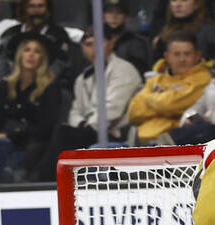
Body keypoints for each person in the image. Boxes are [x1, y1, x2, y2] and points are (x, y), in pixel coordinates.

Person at [35, 26, 143, 181]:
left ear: (111, 44)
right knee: (55, 135)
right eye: (88, 45)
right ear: (82, 48)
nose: (94, 49)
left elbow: (113, 109)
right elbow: (75, 111)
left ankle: (46, 181)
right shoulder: (82, 78)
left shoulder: (124, 69)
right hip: (91, 129)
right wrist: (82, 124)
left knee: (63, 135)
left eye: (99, 43)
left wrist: (89, 126)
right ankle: (46, 179)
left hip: (116, 132)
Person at [0, 32, 60, 183]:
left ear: (43, 58)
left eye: (37, 51)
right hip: (5, 143)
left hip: (34, 146)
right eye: (27, 50)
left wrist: (11, 133)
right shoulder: (3, 87)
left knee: (8, 151)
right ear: (20, 54)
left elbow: (46, 126)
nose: (31, 55)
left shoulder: (50, 87)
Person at [127, 30, 212, 144]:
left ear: (197, 56)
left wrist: (147, 98)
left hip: (175, 141)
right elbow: (133, 112)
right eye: (177, 54)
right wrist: (164, 106)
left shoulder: (202, 79)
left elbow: (173, 105)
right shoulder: (156, 80)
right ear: (167, 56)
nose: (182, 59)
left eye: (187, 54)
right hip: (142, 138)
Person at [0, 0, 78, 85]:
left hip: (48, 86)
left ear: (48, 9)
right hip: (13, 84)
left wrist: (39, 84)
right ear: (24, 9)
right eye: (31, 6)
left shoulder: (59, 35)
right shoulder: (10, 34)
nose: (36, 11)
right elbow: (1, 62)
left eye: (40, 6)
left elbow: (60, 64)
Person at [153, 0, 215, 64]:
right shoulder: (164, 33)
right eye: (174, 0)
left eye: (184, 0)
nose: (178, 5)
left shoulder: (208, 31)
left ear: (196, 4)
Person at [103, 0, 156, 74]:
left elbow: (139, 72)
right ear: (103, 16)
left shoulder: (136, 42)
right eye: (109, 12)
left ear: (126, 17)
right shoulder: (95, 41)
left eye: (119, 12)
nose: (114, 16)